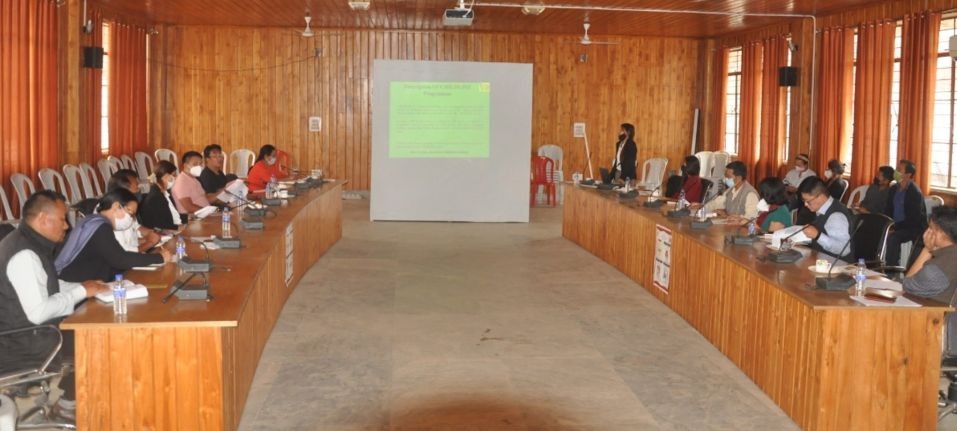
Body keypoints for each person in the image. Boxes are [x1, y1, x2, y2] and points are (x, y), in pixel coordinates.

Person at [0, 191, 107, 421]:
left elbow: (48, 283)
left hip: (28, 334)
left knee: (96, 333)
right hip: (22, 343)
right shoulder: (25, 254)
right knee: (100, 343)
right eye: (62, 219)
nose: (67, 226)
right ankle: (69, 405)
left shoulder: (28, 242)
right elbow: (39, 312)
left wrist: (83, 286)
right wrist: (82, 291)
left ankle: (71, 401)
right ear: (42, 219)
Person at [56, 189, 171, 283]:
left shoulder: (93, 221)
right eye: (130, 214)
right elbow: (120, 259)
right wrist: (159, 257)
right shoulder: (100, 227)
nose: (131, 219)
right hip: (74, 285)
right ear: (116, 206)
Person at [902, 206, 957, 357]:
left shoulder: (939, 267)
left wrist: (926, 249)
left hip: (936, 325)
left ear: (942, 234)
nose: (927, 232)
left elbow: (908, 285)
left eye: (931, 228)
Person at [885, 160, 928, 266]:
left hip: (912, 227)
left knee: (893, 238)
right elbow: (888, 209)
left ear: (908, 174)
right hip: (895, 225)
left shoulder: (914, 193)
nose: (896, 172)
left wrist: (894, 228)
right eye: (896, 169)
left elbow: (913, 219)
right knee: (876, 230)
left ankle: (891, 270)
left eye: (899, 170)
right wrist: (887, 225)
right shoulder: (893, 188)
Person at [798, 176, 854, 259]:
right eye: (804, 201)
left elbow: (844, 249)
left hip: (837, 265)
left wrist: (817, 235)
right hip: (820, 259)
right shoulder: (821, 208)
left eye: (808, 201)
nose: (805, 205)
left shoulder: (836, 216)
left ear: (820, 196)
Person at [106, 169, 160, 252]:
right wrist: (150, 243)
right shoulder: (114, 215)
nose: (139, 190)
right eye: (137, 187)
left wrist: (151, 234)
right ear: (124, 191)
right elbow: (124, 253)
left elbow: (135, 228)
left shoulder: (126, 206)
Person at [139, 161, 186, 231]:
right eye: (174, 175)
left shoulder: (165, 192)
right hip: (165, 232)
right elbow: (161, 224)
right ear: (165, 177)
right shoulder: (156, 197)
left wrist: (187, 217)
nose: (175, 178)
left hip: (174, 226)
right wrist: (179, 227)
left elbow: (173, 214)